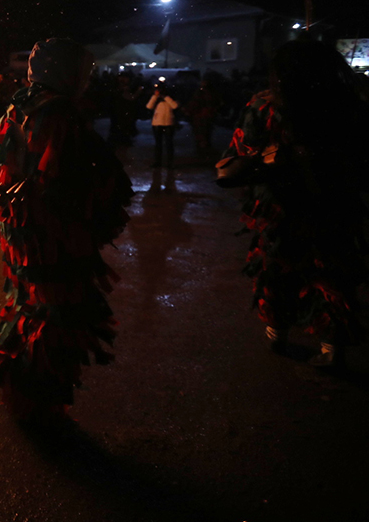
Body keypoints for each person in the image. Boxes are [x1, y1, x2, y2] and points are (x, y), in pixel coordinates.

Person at [0, 39, 133, 427]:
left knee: (30, 305)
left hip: (21, 229)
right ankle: (38, 405)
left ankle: (23, 393)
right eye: (84, 71)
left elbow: (2, 163)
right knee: (56, 314)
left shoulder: (18, 106)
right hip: (53, 233)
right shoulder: (59, 113)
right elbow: (73, 180)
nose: (88, 80)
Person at [216, 39, 368, 368]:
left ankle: (277, 332)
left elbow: (239, 154)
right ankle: (332, 347)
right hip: (335, 204)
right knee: (330, 271)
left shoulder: (265, 107)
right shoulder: (349, 105)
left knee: (276, 268)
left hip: (281, 206)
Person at [146, 82, 180, 168]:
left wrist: (165, 97)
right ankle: (157, 162)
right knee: (158, 144)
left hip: (169, 123)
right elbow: (149, 106)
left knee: (169, 144)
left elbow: (175, 106)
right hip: (157, 123)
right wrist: (155, 96)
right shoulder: (156, 99)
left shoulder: (171, 97)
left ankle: (170, 163)